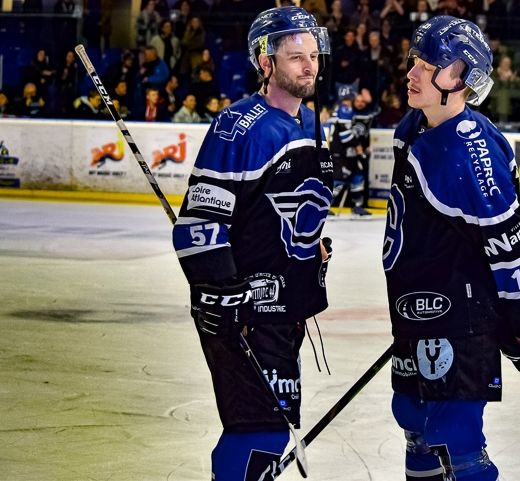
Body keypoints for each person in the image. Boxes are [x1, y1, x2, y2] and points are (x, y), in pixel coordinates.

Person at [383, 16, 520, 481]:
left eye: (428, 65)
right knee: (415, 423)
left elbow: (516, 252)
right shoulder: (416, 128)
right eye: (413, 62)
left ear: (463, 79)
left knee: (454, 436)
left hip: (459, 322)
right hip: (418, 313)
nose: (411, 73)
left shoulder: (468, 152)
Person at [171, 7, 333, 480]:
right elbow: (199, 225)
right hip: (244, 313)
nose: (309, 66)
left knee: (268, 429)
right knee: (256, 432)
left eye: (313, 56)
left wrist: (310, 249)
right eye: (295, 57)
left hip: (283, 311)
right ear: (265, 63)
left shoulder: (309, 123)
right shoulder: (238, 126)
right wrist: (219, 291)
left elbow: (281, 210)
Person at [329, 85, 370, 215]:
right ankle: (323, 206)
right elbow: (345, 136)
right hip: (341, 153)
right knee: (338, 180)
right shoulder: (345, 109)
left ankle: (357, 206)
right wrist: (358, 145)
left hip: (348, 153)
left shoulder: (340, 109)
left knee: (357, 176)